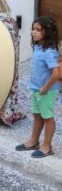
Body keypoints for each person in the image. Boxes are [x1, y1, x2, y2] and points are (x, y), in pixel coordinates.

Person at [15, 17, 59, 159]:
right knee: (37, 115)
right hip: (36, 89)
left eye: (38, 30)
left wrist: (45, 88)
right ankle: (34, 141)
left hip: (46, 91)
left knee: (47, 117)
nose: (34, 32)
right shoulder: (38, 47)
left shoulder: (49, 52)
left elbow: (56, 74)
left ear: (48, 32)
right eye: (33, 29)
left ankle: (47, 146)